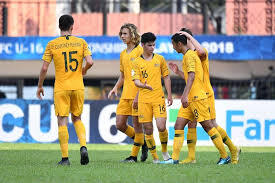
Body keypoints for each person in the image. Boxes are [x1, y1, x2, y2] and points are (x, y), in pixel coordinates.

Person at [169, 28, 240, 164]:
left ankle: (231, 150)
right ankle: (187, 157)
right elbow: (191, 76)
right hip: (193, 93)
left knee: (210, 124)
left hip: (204, 93)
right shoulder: (188, 56)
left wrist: (189, 35)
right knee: (188, 123)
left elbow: (193, 74)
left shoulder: (198, 53)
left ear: (185, 39)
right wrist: (178, 72)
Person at [36, 14, 94, 166]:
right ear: (72, 27)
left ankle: (65, 158)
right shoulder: (81, 42)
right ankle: (83, 146)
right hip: (78, 86)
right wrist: (84, 70)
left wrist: (40, 85)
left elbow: (44, 68)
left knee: (62, 121)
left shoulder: (52, 44)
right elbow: (90, 61)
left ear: (59, 26)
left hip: (61, 88)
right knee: (77, 119)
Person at [108, 23, 148, 162]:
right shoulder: (123, 54)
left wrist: (139, 95)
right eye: (121, 34)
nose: (122, 36)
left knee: (137, 127)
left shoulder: (140, 52)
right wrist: (115, 88)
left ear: (132, 35)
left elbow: (144, 76)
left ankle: (133, 156)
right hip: (125, 95)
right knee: (120, 124)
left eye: (125, 33)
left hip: (138, 94)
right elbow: (123, 76)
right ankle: (143, 142)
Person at [132, 32, 173, 163]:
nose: (152, 48)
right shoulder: (136, 62)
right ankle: (155, 158)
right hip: (144, 100)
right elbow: (136, 81)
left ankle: (165, 152)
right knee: (148, 129)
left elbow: (166, 76)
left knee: (161, 126)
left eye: (154, 45)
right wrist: (143, 86)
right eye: (149, 45)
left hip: (158, 98)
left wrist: (170, 94)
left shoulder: (160, 59)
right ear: (142, 45)